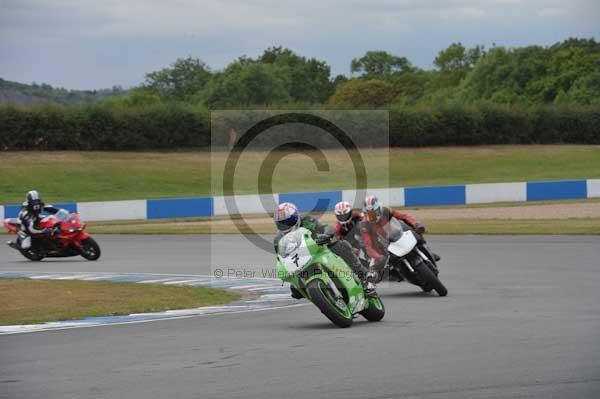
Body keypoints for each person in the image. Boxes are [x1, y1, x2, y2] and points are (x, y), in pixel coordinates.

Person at [273, 202, 376, 298]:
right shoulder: (278, 240)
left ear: (297, 216)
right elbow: (282, 258)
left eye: (288, 221)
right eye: (282, 223)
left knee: (341, 245)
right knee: (295, 291)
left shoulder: (307, 221)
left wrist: (326, 235)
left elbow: (325, 227)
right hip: (300, 262)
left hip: (318, 249)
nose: (286, 225)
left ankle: (364, 276)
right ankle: (322, 297)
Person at [360, 195, 440, 280]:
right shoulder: (365, 225)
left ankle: (427, 250)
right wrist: (378, 257)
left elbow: (404, 216)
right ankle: (394, 273)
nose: (372, 216)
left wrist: (416, 224)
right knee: (374, 271)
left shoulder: (386, 211)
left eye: (374, 212)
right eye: (369, 214)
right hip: (381, 244)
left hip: (395, 234)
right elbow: (368, 246)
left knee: (415, 230)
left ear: (379, 209)